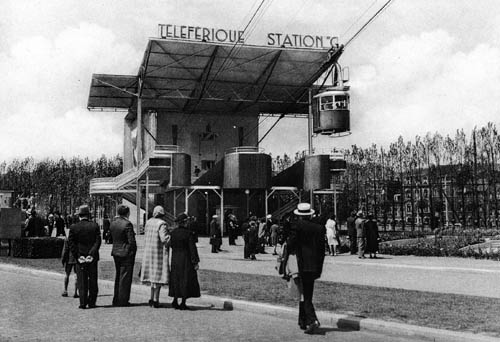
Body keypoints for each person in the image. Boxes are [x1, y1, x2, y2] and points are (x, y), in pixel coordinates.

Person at [289, 203, 325, 334]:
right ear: (310, 214)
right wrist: (319, 268)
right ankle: (302, 320)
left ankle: (312, 320)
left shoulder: (297, 227)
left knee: (304, 295)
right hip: (314, 266)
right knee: (306, 292)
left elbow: (290, 244)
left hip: (300, 265)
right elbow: (322, 251)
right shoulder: (319, 228)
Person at [68, 205, 101, 309]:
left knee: (82, 281)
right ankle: (92, 302)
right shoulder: (95, 226)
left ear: (79, 215)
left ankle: (83, 302)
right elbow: (97, 242)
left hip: (80, 258)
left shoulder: (73, 227)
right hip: (92, 258)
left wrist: (78, 256)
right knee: (93, 280)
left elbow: (71, 244)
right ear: (88, 215)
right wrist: (91, 254)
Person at [140, 205, 171, 308]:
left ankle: (151, 298)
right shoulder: (162, 224)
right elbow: (164, 239)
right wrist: (171, 237)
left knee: (152, 279)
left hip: (149, 253)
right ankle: (156, 300)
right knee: (158, 278)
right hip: (158, 253)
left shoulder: (148, 222)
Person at [169, 212, 201, 310]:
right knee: (185, 279)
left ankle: (175, 299)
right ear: (185, 222)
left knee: (175, 278)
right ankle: (183, 302)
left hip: (175, 258)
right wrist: (195, 261)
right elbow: (192, 249)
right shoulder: (189, 233)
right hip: (185, 259)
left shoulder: (173, 233)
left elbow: (171, 244)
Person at [110, 204, 137, 307]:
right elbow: (132, 242)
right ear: (127, 213)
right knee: (125, 277)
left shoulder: (113, 223)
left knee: (118, 276)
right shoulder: (127, 224)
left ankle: (116, 298)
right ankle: (123, 299)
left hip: (116, 252)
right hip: (126, 253)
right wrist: (132, 252)